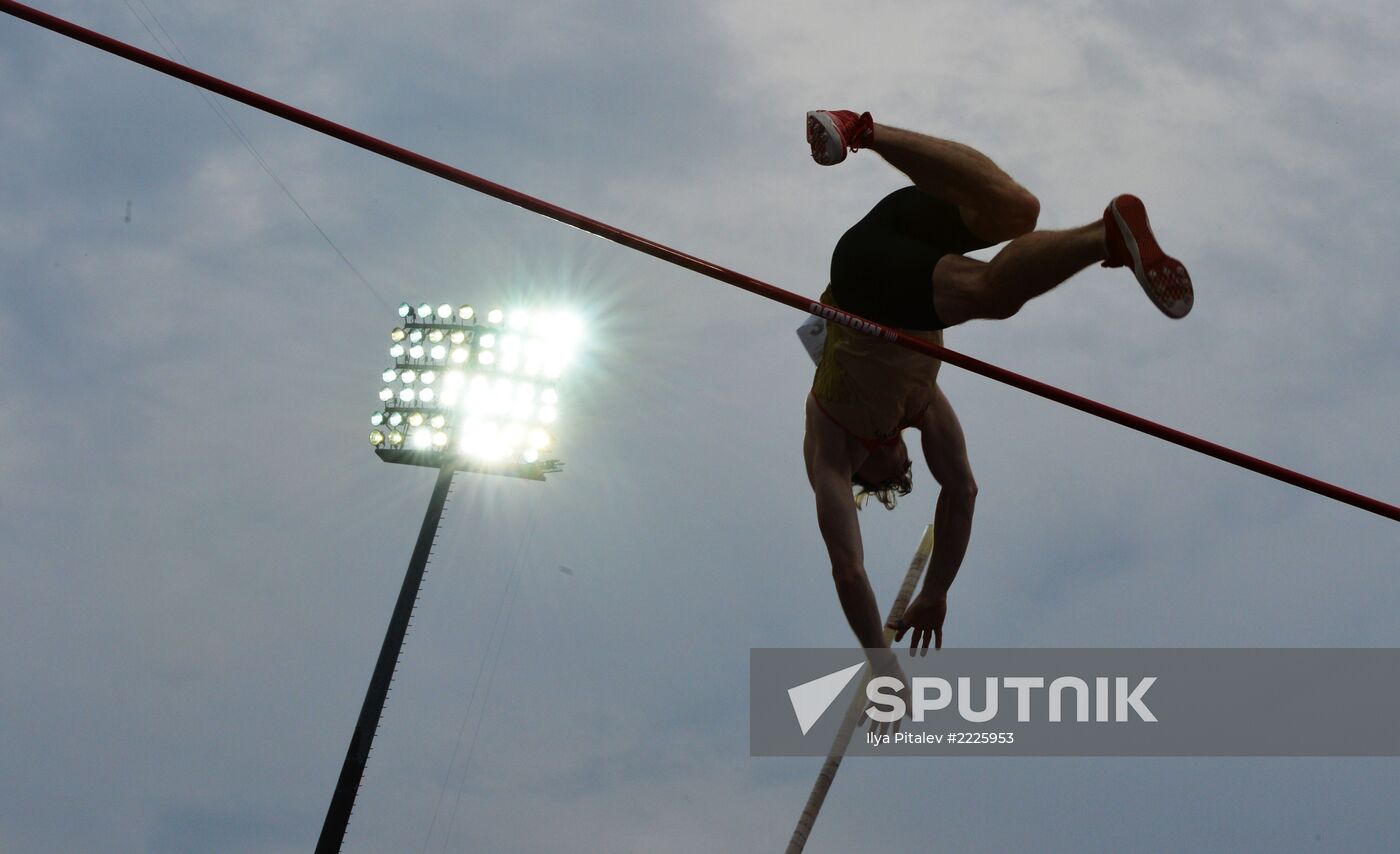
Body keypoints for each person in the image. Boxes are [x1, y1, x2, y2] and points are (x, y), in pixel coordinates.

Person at [802, 109, 1192, 657]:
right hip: (889, 252)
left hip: (863, 280)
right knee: (1015, 210)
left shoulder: (830, 443)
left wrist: (879, 661)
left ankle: (860, 131)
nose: (905, 470)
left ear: (863, 473)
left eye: (892, 487)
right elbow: (961, 491)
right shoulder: (924, 407)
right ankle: (1106, 236)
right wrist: (936, 592)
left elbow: (848, 569)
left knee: (989, 291)